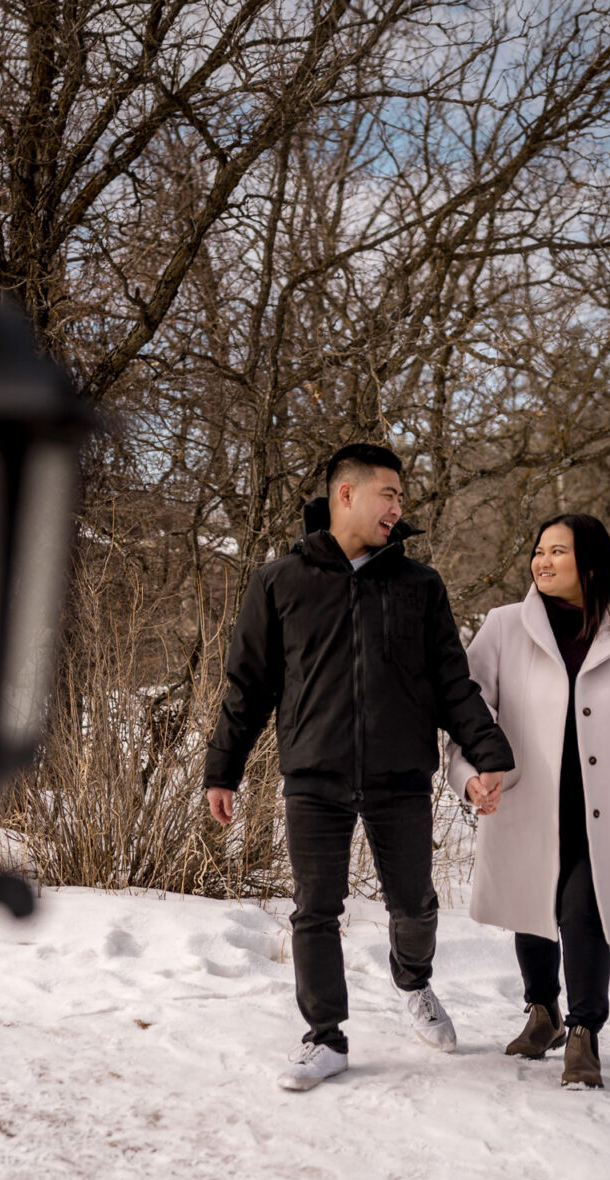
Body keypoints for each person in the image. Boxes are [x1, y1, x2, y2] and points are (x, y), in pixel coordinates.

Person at [205, 442, 514, 1092]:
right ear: (346, 494)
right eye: (389, 494)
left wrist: (487, 755)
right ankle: (325, 1035)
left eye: (401, 497)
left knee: (415, 903)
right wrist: (222, 768)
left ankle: (414, 980)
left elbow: (453, 684)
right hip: (315, 773)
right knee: (315, 908)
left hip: (399, 773)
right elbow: (248, 686)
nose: (399, 507)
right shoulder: (280, 582)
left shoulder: (419, 586)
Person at [445, 513, 610, 1089]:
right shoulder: (505, 626)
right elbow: (467, 709)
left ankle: (584, 1032)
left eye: (556, 551)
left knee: (583, 914)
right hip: (528, 801)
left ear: (591, 563)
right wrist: (469, 775)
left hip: (605, 812)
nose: (542, 561)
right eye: (538, 551)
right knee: (533, 910)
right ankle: (542, 1011)